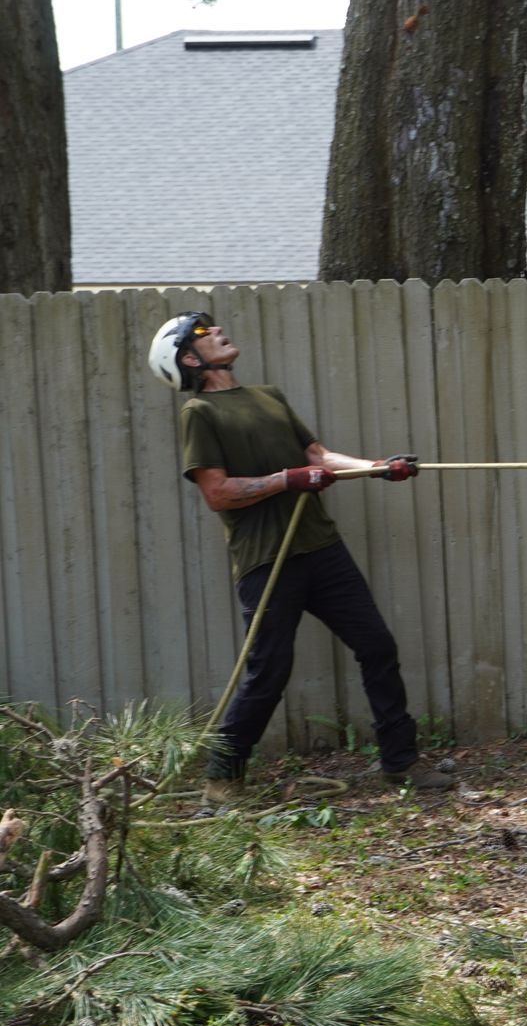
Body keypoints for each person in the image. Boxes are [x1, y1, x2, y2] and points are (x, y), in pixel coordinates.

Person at [147, 311, 452, 802]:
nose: (219, 331)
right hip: (267, 558)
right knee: (269, 669)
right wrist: (286, 481)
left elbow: (318, 458)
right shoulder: (200, 414)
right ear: (188, 358)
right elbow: (218, 493)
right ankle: (222, 779)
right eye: (204, 333)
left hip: (320, 546)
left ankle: (401, 763)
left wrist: (379, 468)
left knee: (377, 646)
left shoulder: (269, 397)